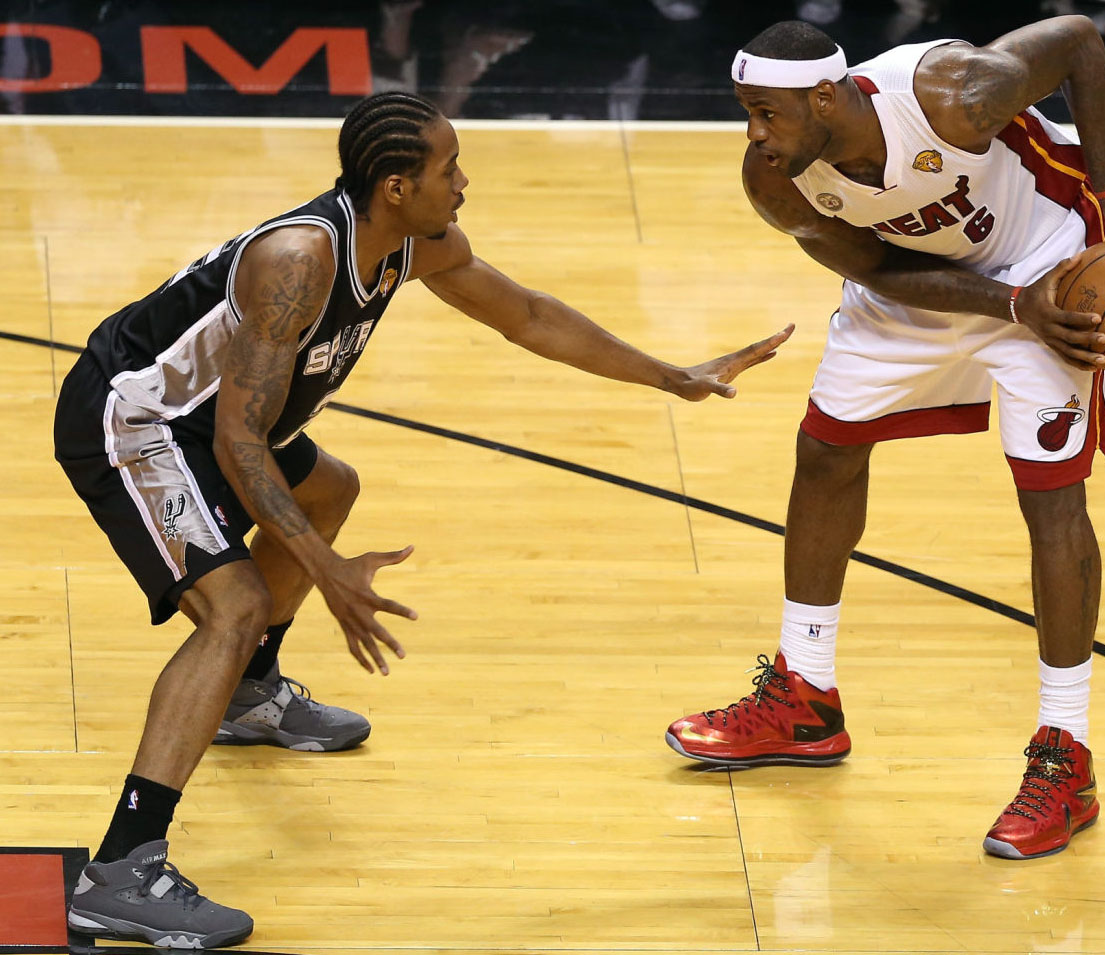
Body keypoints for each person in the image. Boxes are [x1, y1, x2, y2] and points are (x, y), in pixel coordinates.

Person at [54, 91, 792, 948]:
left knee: (330, 490)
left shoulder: (412, 239)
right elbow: (238, 443)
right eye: (449, 169)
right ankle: (123, 868)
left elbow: (528, 315)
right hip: (139, 420)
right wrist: (326, 572)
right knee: (236, 603)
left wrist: (671, 375)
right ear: (396, 186)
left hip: (222, 416)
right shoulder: (300, 261)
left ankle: (249, 695)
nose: (465, 182)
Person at [664, 16, 1105, 860]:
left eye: (769, 113)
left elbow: (1082, 41)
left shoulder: (948, 96)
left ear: (826, 97)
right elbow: (874, 268)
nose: (756, 135)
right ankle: (806, 697)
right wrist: (1003, 306)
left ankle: (1067, 756)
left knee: (1051, 501)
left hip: (1046, 269)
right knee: (825, 450)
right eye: (747, 113)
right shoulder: (776, 180)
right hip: (922, 290)